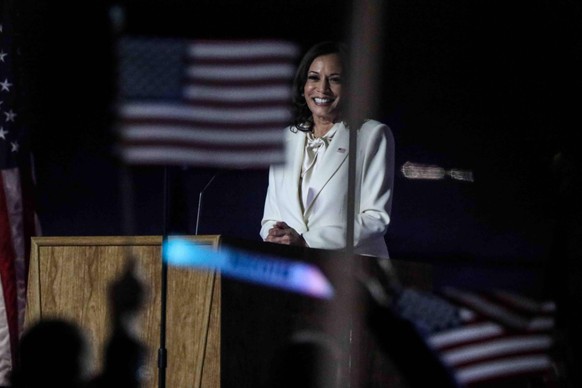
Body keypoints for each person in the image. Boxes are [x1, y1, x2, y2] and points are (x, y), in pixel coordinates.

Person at [260, 41, 395, 258]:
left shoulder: (372, 135)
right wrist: (276, 237)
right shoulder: (286, 138)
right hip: (292, 270)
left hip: (351, 272)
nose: (322, 89)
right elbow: (270, 218)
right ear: (303, 86)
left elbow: (375, 218)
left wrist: (306, 242)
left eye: (335, 80)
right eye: (314, 77)